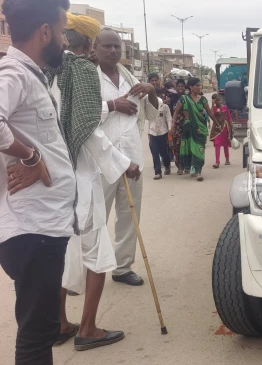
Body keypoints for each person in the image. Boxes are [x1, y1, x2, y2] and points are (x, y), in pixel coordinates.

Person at [46, 13, 137, 351]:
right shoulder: (81, 70)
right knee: (96, 253)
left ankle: (58, 323)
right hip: (80, 177)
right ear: (89, 44)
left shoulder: (45, 70)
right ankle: (88, 329)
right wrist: (124, 164)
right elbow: (88, 130)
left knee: (61, 252)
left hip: (50, 180)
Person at [0, 0, 75, 363]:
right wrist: (31, 156)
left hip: (43, 228)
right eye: (62, 32)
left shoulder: (31, 76)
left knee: (39, 334)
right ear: (44, 32)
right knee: (36, 338)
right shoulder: (13, 73)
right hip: (34, 231)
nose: (63, 41)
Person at [95, 28, 159, 286]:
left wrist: (152, 91)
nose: (112, 50)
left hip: (132, 158)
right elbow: (81, 116)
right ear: (95, 47)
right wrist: (113, 105)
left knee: (129, 216)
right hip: (100, 160)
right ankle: (88, 270)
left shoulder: (130, 78)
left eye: (117, 47)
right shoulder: (89, 78)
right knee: (95, 219)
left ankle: (122, 268)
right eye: (107, 46)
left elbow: (153, 116)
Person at [171, 77, 220, 181]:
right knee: (190, 149)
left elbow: (210, 113)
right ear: (191, 87)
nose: (199, 87)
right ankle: (191, 167)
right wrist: (173, 125)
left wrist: (217, 124)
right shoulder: (184, 99)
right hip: (188, 127)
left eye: (199, 85)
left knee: (200, 149)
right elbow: (176, 112)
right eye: (197, 85)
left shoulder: (202, 99)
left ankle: (198, 171)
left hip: (200, 128)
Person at [148, 88, 172, 179]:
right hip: (153, 133)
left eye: (159, 94)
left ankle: (167, 165)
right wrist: (148, 132)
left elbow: (169, 118)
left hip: (163, 133)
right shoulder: (149, 107)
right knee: (154, 153)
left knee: (164, 153)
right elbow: (149, 120)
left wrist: (170, 130)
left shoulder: (165, 107)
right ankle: (157, 172)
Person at [210, 94, 232, 168]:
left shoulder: (225, 107)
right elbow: (211, 114)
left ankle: (227, 159)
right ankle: (217, 162)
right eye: (216, 100)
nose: (218, 101)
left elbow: (229, 117)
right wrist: (212, 105)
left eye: (219, 100)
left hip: (225, 128)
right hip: (217, 129)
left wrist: (231, 127)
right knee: (217, 144)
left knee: (225, 144)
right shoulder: (214, 108)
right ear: (214, 101)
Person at [169, 79, 186, 174]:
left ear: (185, 87)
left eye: (182, 86)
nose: (180, 88)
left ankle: (186, 166)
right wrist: (172, 125)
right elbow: (172, 112)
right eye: (178, 86)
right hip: (176, 126)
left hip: (187, 125)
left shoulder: (188, 98)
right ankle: (179, 166)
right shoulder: (173, 98)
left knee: (187, 146)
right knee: (177, 146)